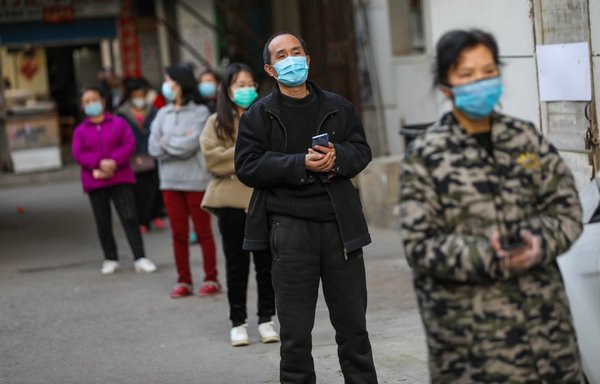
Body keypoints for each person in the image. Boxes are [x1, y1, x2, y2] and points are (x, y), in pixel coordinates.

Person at [399, 29, 584, 383]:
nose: (480, 82)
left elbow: (567, 209)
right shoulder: (427, 155)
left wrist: (538, 242)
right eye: (467, 75)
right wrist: (489, 253)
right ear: (445, 86)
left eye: (488, 71)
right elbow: (418, 245)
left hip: (548, 337)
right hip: (472, 347)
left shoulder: (525, 137)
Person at [235, 32, 378, 383]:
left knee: (354, 329)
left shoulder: (338, 106)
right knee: (296, 336)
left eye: (296, 51)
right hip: (289, 228)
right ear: (271, 69)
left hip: (340, 228)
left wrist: (336, 158)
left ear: (308, 58)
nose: (291, 59)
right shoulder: (259, 115)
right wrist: (299, 164)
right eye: (282, 55)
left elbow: (361, 151)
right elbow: (247, 166)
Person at [200, 63, 278, 347]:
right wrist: (250, 153)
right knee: (236, 264)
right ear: (227, 90)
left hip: (263, 198)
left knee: (266, 263)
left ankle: (267, 318)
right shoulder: (215, 122)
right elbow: (212, 159)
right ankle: (238, 322)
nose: (246, 90)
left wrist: (240, 157)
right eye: (239, 85)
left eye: (249, 84)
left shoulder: (266, 115)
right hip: (229, 202)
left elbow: (276, 154)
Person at [148, 64, 220, 299]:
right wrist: (175, 142)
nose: (167, 86)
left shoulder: (200, 112)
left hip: (195, 181)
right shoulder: (161, 113)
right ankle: (184, 280)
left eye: (170, 81)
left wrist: (166, 142)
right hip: (169, 182)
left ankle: (211, 278)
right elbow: (152, 147)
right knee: (178, 234)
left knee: (203, 232)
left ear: (182, 85)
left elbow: (191, 145)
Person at [72, 86, 157, 275]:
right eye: (87, 101)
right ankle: (110, 258)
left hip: (121, 177)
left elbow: (129, 144)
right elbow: (78, 153)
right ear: (81, 106)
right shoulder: (80, 130)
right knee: (103, 221)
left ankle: (140, 257)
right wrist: (98, 163)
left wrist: (114, 162)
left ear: (103, 101)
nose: (91, 104)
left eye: (94, 99)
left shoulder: (118, 123)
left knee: (129, 217)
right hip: (95, 180)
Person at [117, 78, 166, 234]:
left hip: (152, 154)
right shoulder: (122, 113)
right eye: (135, 95)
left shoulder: (153, 111)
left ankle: (155, 215)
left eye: (141, 94)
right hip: (133, 156)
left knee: (154, 187)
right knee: (137, 191)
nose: (139, 98)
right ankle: (142, 220)